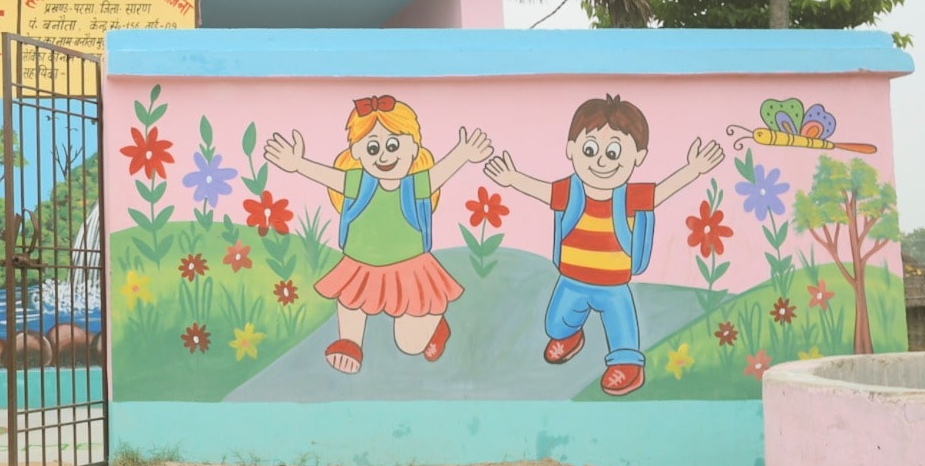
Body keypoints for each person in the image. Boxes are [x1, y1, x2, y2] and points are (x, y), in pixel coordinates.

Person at [484, 94, 723, 396]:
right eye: (590, 150)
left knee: (623, 330)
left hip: (614, 286)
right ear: (571, 149)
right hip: (571, 280)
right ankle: (569, 336)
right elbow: (542, 191)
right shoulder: (570, 192)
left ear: (638, 157)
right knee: (556, 324)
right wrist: (512, 178)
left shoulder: (630, 197)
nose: (600, 161)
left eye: (613, 153)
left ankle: (627, 365)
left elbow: (661, 192)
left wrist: (694, 169)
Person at [265, 95, 492, 374]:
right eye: (372, 148)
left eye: (393, 145)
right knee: (350, 300)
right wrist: (297, 164)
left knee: (409, 344)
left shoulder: (414, 185)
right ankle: (349, 343)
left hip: (409, 268)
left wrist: (463, 153)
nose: (383, 155)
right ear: (357, 153)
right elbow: (328, 176)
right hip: (360, 265)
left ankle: (434, 323)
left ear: (414, 148)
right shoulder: (359, 182)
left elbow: (439, 174)